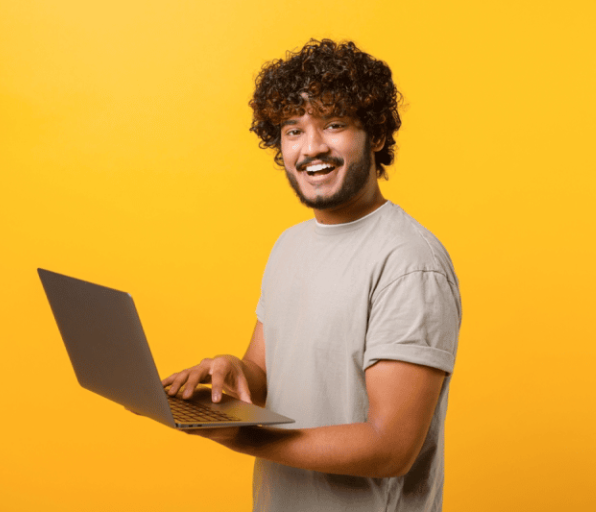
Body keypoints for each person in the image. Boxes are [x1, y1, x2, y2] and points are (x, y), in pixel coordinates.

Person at [162, 39, 461, 512]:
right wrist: (226, 375)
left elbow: (391, 447)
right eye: (293, 130)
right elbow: (261, 375)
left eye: (334, 125)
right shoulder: (291, 245)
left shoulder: (408, 263)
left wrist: (245, 439)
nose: (312, 147)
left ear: (377, 136)